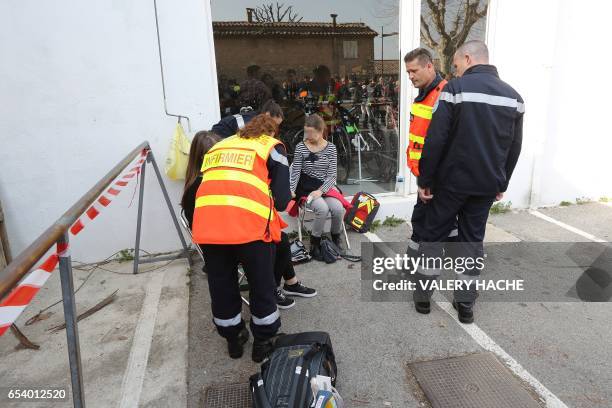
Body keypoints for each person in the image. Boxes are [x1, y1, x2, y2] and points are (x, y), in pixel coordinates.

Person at [415, 40, 524, 324]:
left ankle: (424, 297)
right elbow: (514, 146)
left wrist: (426, 179)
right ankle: (465, 304)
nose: (456, 69)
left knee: (434, 234)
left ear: (467, 58)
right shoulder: (514, 97)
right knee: (472, 241)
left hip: (451, 183)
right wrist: (503, 182)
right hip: (486, 184)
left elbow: (436, 139)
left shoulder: (454, 89)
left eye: (456, 64)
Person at [192, 114, 291, 362]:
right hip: (250, 229)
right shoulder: (271, 147)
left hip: (209, 227)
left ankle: (233, 339)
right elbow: (280, 199)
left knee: (222, 285)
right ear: (272, 133)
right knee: (261, 285)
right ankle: (263, 342)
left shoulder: (220, 145)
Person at [403, 48, 452, 284]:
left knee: (429, 224)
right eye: (408, 72)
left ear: (429, 66)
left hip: (433, 176)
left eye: (414, 70)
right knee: (423, 220)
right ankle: (414, 263)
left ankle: (420, 272)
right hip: (424, 173)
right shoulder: (425, 93)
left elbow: (440, 142)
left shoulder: (443, 94)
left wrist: (428, 180)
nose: (410, 76)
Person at [289, 114, 346, 258]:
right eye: (305, 131)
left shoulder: (331, 148)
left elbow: (332, 175)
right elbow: (295, 172)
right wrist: (291, 189)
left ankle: (335, 238)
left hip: (325, 186)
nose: (307, 135)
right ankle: (315, 243)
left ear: (321, 131)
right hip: (307, 186)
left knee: (338, 209)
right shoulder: (301, 147)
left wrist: (321, 191)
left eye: (310, 132)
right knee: (322, 208)